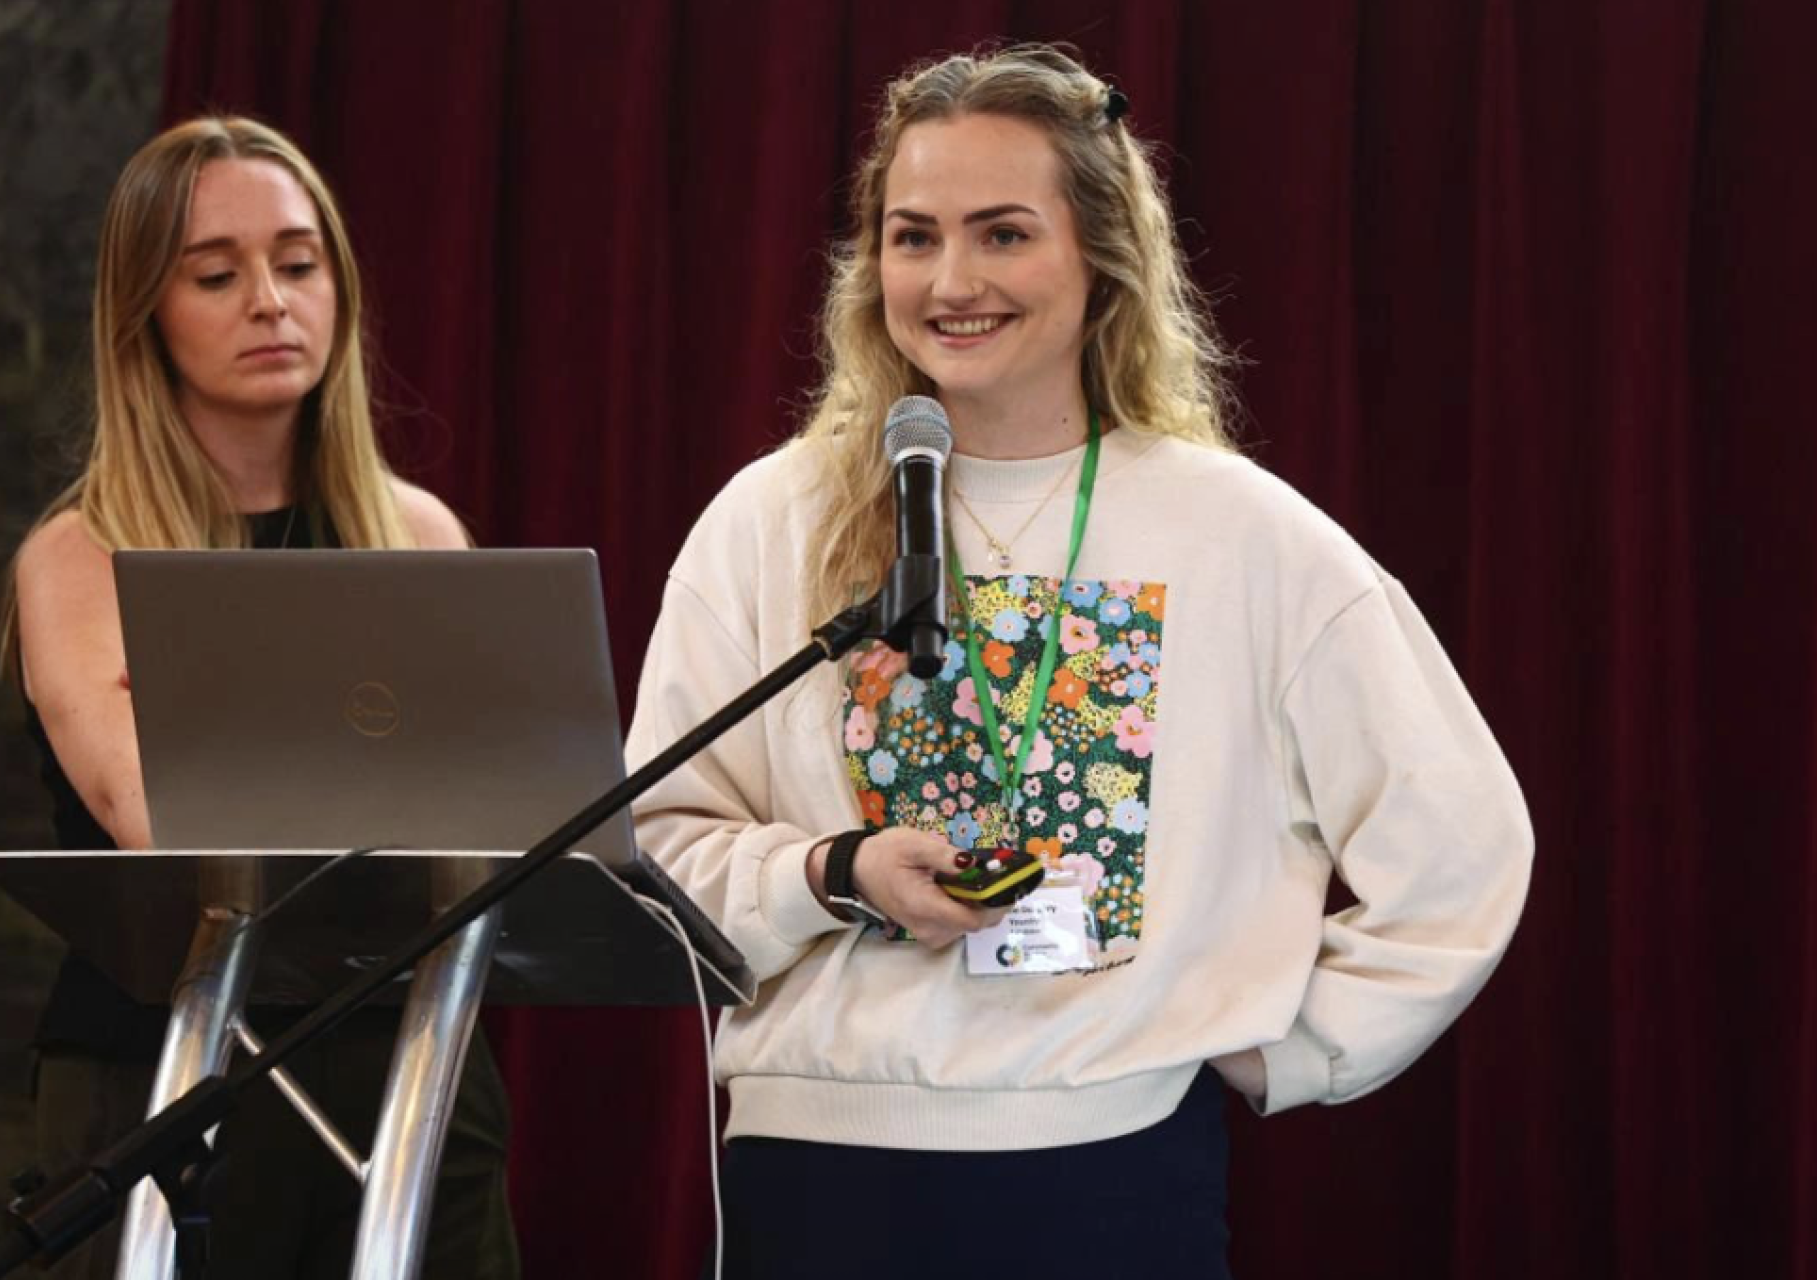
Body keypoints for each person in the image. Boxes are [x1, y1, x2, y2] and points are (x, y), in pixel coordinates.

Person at [625, 45, 1532, 1278]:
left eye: (1003, 234)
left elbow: (1462, 844)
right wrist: (835, 872)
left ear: (1100, 256)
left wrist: (1281, 1043)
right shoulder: (769, 520)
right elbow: (653, 850)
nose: (951, 281)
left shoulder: (1240, 532)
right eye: (912, 235)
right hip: (815, 1171)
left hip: (1110, 1175)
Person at [0, 117, 517, 1279]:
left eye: (298, 261)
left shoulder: (417, 534)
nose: (272, 301)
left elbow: (489, 817)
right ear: (145, 313)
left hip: (411, 1064)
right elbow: (164, 819)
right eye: (217, 274)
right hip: (161, 1067)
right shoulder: (84, 555)